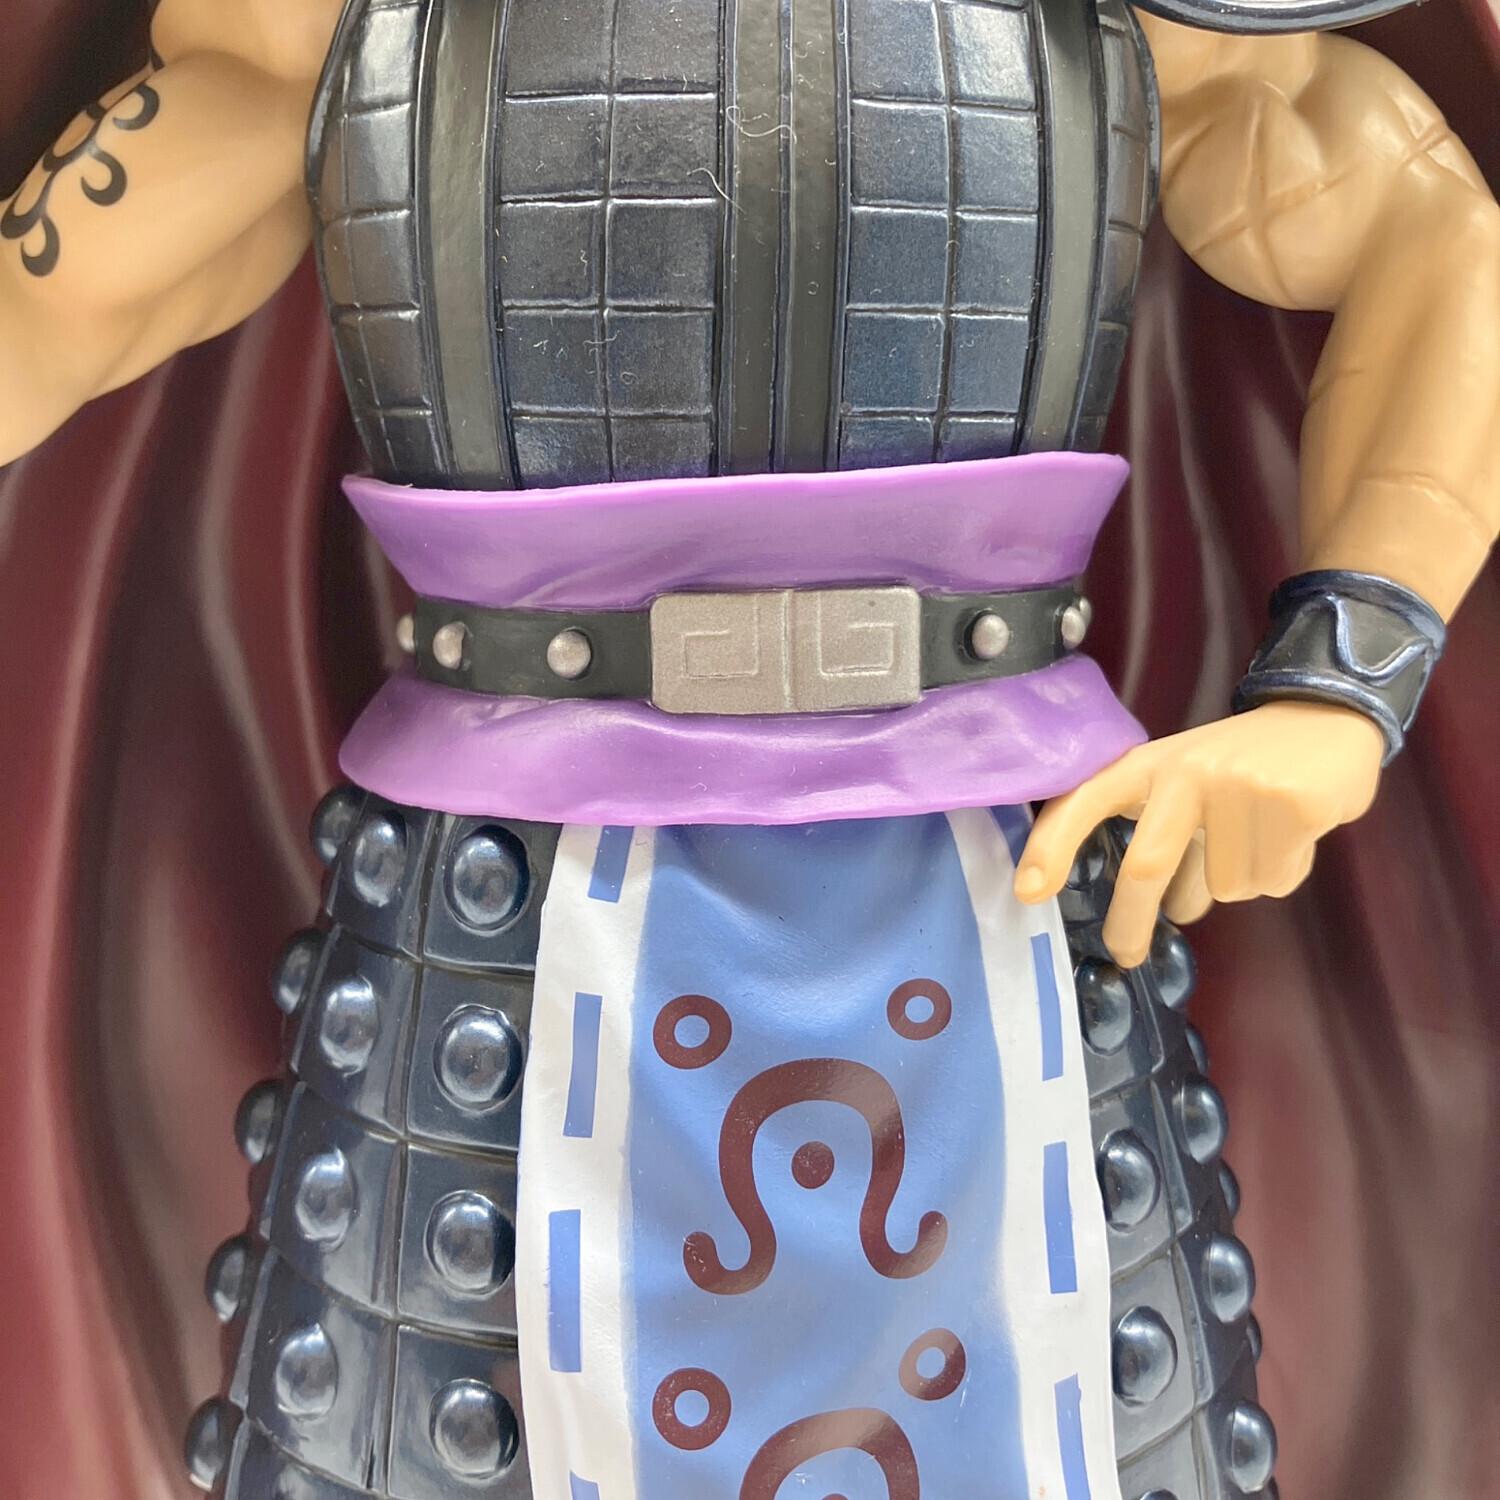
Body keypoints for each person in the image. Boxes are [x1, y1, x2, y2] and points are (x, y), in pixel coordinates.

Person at [0, 2, 1494, 1498]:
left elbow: (1427, 230)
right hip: (507, 910)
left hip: (1007, 894)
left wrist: (1337, 691)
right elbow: (54, 311)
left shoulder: (1151, 30)